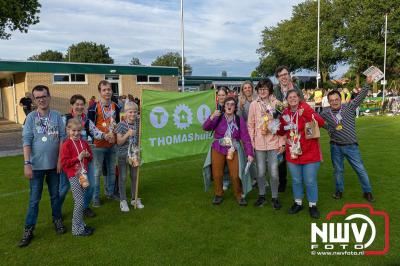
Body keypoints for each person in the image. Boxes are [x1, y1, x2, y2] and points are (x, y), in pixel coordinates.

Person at [19, 85, 67, 247]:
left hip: (54, 166)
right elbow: (26, 141)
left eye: (44, 96)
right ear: (34, 100)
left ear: (49, 97)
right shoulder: (31, 118)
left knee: (55, 196)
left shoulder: (56, 116)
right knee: (34, 200)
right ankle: (29, 229)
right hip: (36, 166)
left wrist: (60, 159)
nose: (41, 99)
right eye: (38, 97)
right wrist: (27, 163)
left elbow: (62, 138)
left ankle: (57, 220)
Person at [320, 76, 375, 202]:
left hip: (351, 146)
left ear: (340, 99)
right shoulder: (325, 113)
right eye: (331, 100)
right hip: (335, 146)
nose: (334, 102)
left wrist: (367, 84)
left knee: (360, 169)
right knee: (338, 171)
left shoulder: (349, 107)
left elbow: (360, 96)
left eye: (336, 99)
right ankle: (339, 191)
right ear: (328, 101)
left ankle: (367, 192)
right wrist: (327, 128)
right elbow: (318, 121)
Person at [278, 89, 325, 219]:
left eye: (295, 96)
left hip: (310, 152)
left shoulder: (306, 108)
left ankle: (312, 205)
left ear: (299, 98)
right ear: (287, 100)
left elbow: (320, 123)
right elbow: (281, 131)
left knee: (310, 181)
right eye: (290, 97)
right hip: (293, 152)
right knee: (296, 180)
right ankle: (298, 203)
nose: (292, 99)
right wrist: (273, 124)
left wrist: (307, 114)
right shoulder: (285, 113)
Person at [202, 97, 254, 206]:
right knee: (217, 173)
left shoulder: (239, 120)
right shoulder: (218, 117)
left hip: (233, 148)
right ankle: (218, 194)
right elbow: (205, 127)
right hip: (218, 147)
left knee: (235, 174)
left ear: (235, 107)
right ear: (224, 106)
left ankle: (239, 195)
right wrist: (212, 117)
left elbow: (245, 138)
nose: (229, 106)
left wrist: (249, 153)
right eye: (227, 104)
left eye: (232, 104)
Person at [59, 95, 104, 218]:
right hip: (69, 162)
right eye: (76, 104)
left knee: (91, 185)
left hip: (85, 161)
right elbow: (60, 139)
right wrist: (59, 160)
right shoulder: (65, 119)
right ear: (72, 106)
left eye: (81, 104)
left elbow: (96, 133)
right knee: (63, 189)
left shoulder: (86, 121)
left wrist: (106, 136)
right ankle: (57, 212)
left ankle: (84, 207)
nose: (79, 107)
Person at [247, 78, 285, 209]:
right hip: (259, 144)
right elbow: (250, 125)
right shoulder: (253, 104)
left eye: (265, 89)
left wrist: (282, 143)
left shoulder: (277, 104)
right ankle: (262, 195)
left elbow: (282, 124)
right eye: (260, 89)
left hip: (274, 143)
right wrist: (252, 142)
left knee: (274, 172)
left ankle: (275, 197)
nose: (262, 91)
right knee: (261, 172)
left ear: (270, 90)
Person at [88, 80, 121, 207]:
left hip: (112, 145)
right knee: (97, 173)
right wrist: (103, 135)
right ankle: (95, 198)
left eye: (109, 89)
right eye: (104, 90)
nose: (107, 92)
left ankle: (110, 193)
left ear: (112, 90)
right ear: (100, 92)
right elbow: (90, 126)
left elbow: (116, 124)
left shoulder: (116, 106)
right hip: (98, 145)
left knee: (112, 171)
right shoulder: (93, 107)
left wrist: (114, 135)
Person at [60, 118, 94, 236]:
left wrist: (88, 155)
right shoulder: (66, 144)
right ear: (68, 130)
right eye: (73, 130)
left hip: (82, 174)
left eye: (79, 130)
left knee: (81, 200)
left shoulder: (84, 142)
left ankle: (81, 224)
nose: (76, 133)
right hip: (73, 175)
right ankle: (76, 229)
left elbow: (90, 158)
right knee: (79, 201)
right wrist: (77, 158)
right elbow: (64, 162)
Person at [273, 66, 303, 193]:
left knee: (297, 152)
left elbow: (302, 104)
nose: (284, 77)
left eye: (285, 74)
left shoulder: (296, 89)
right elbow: (271, 107)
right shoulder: (275, 90)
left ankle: (301, 181)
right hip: (280, 126)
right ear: (278, 78)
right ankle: (282, 181)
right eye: (281, 75)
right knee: (280, 155)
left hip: (295, 125)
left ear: (289, 75)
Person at [116, 102, 143, 212]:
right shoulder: (121, 125)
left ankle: (134, 198)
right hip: (123, 155)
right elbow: (119, 142)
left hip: (134, 154)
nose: (132, 114)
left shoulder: (138, 123)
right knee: (122, 177)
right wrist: (127, 134)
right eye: (130, 112)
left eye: (135, 112)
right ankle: (123, 201)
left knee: (134, 176)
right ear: (125, 113)